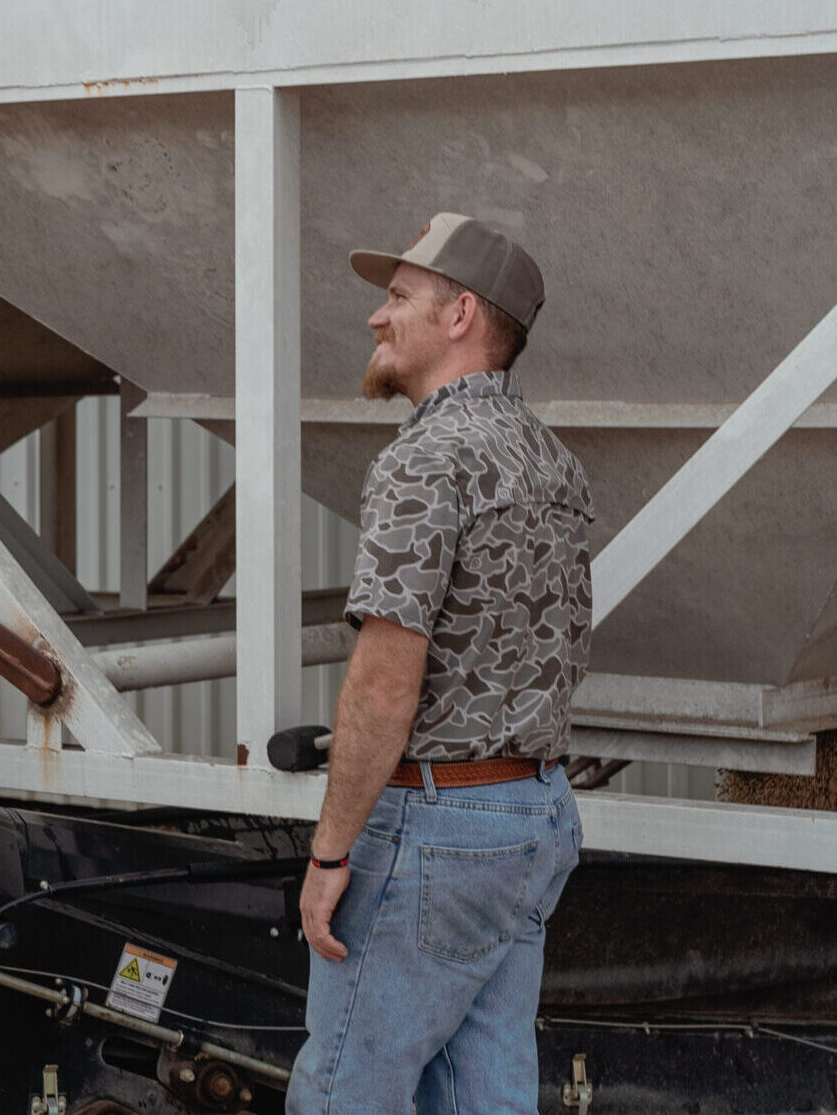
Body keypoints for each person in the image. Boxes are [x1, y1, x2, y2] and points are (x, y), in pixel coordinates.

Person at [286, 215, 591, 1114]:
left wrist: (330, 850)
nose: (376, 320)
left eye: (396, 298)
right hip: (533, 814)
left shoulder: (424, 460)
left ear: (460, 314)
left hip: (436, 825)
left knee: (342, 1094)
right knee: (482, 1098)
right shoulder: (554, 463)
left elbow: (384, 680)